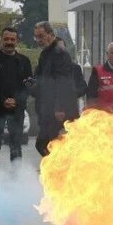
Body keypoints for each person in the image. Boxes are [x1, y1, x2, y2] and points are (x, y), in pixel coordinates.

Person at [0, 27, 32, 165]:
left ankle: (15, 180)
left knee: (16, 146)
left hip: (17, 110)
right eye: (6, 39)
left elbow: (29, 86)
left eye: (12, 39)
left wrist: (17, 100)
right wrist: (2, 100)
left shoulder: (24, 61)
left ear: (17, 41)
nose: (9, 42)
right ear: (1, 40)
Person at [32, 21, 78, 157]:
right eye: (36, 37)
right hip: (46, 109)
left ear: (50, 34)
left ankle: (60, 173)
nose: (38, 41)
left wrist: (60, 108)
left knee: (47, 144)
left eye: (41, 36)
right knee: (45, 144)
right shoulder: (45, 54)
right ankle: (56, 172)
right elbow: (41, 80)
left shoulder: (60, 53)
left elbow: (64, 82)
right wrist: (32, 84)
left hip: (58, 112)